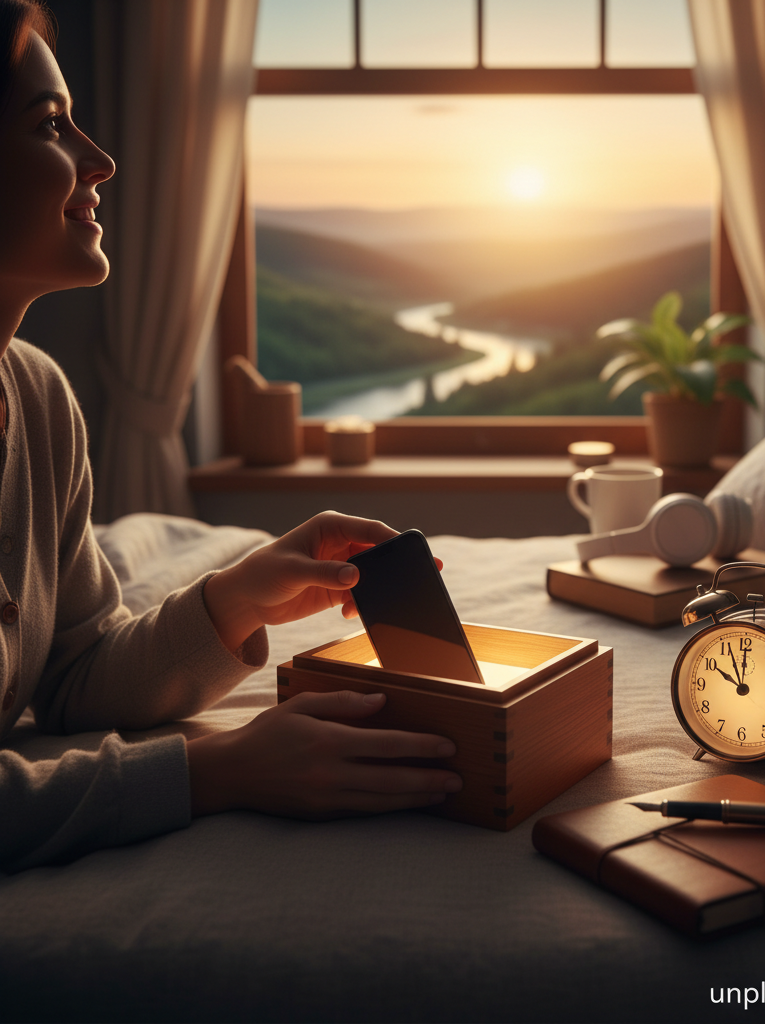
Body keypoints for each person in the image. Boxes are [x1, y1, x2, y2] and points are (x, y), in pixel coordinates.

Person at [0, 0, 461, 873]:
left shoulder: (38, 396)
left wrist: (239, 597)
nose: (101, 160)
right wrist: (215, 770)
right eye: (50, 124)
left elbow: (72, 681)